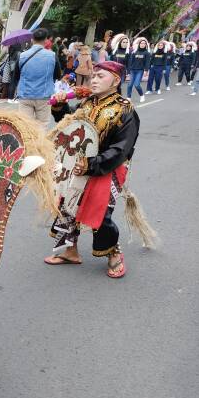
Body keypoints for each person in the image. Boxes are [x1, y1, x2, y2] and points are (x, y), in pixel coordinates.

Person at [47, 61, 140, 279]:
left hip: (109, 167)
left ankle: (113, 254)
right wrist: (60, 108)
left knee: (99, 212)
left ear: (116, 81)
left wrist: (92, 164)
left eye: (100, 76)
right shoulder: (87, 103)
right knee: (68, 205)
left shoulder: (125, 110)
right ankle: (70, 250)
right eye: (93, 76)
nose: (94, 80)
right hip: (78, 164)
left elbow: (121, 149)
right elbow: (70, 127)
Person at [15, 28, 62, 124]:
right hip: (44, 96)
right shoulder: (52, 56)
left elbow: (16, 75)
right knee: (42, 126)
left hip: (25, 95)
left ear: (32, 40)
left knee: (25, 125)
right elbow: (57, 75)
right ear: (46, 40)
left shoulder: (22, 55)